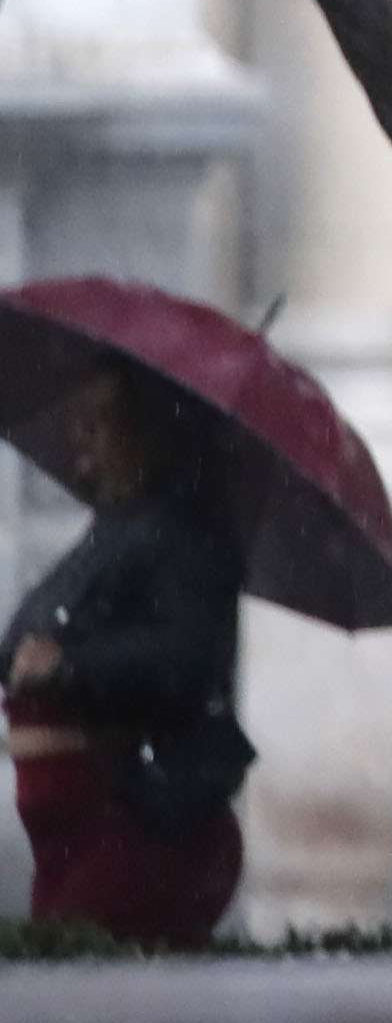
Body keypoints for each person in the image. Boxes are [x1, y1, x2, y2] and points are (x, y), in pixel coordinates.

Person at [5, 356, 253, 950]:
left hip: (141, 827)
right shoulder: (111, 532)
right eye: (76, 421)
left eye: (99, 421)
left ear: (147, 432)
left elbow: (185, 656)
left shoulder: (182, 536)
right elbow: (29, 628)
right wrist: (28, 653)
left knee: (80, 986)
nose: (78, 439)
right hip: (71, 836)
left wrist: (69, 666)